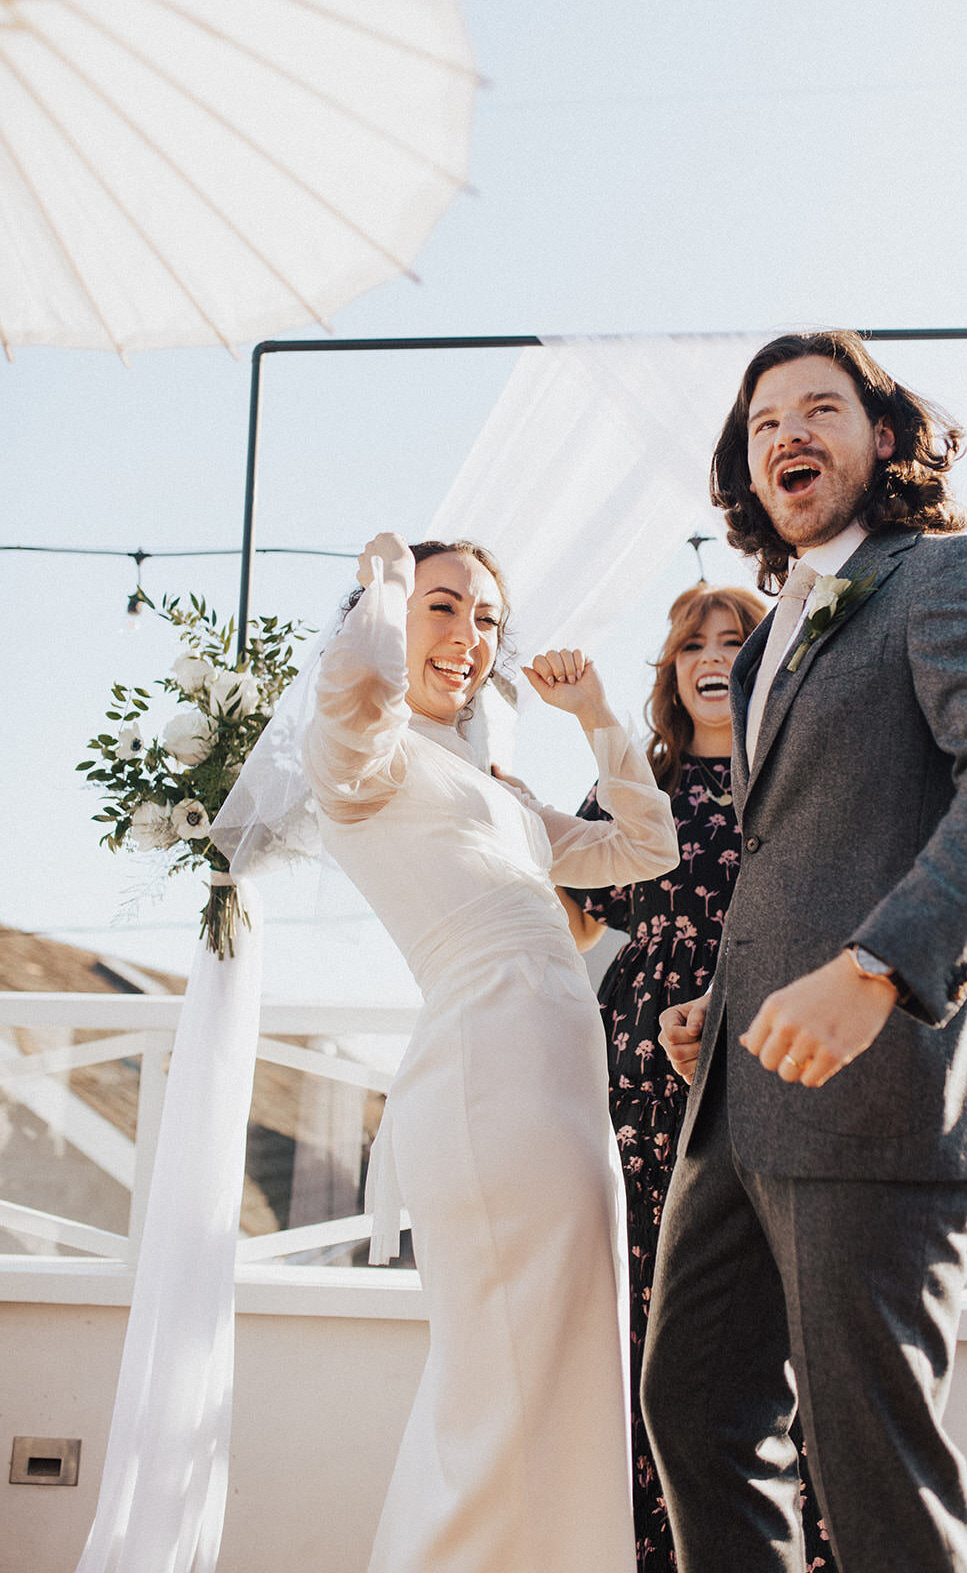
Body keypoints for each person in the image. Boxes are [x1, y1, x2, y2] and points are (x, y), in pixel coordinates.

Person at [643, 330, 967, 1573]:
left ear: (882, 437)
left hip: (878, 1093)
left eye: (818, 408)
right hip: (737, 1099)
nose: (786, 431)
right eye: (763, 417)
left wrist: (877, 966)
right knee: (697, 1415)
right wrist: (718, 1007)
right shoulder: (770, 631)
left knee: (870, 1460)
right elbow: (794, 854)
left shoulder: (947, 572)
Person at [302, 532, 678, 1573]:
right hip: (485, 1081)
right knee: (496, 1387)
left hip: (562, 1084)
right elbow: (351, 698)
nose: (467, 638)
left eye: (484, 620)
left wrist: (600, 715)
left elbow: (643, 849)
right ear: (384, 621)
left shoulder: (499, 789)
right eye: (442, 607)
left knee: (567, 1371)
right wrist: (382, 594)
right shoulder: (363, 764)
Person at [562, 582, 835, 1573]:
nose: (712, 654)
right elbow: (563, 925)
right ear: (671, 672)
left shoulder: (800, 778)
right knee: (652, 1339)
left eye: (735, 638)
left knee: (779, 1347)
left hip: (772, 1073)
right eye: (692, 644)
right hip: (639, 1090)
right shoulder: (636, 782)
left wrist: (727, 1013)